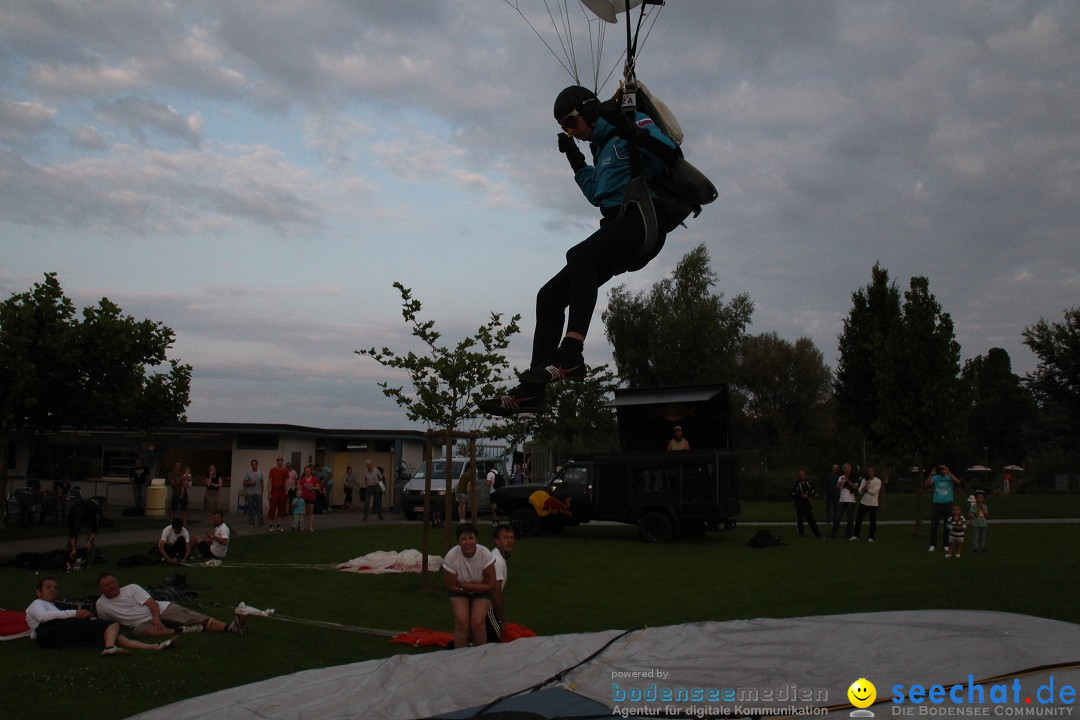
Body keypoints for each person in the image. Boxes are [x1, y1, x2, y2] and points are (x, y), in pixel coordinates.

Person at [478, 85, 682, 416]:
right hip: (618, 228)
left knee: (580, 256)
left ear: (588, 111)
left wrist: (633, 131)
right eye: (564, 128)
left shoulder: (632, 124)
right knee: (549, 296)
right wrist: (574, 159)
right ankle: (532, 392)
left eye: (571, 123)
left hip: (644, 219)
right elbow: (598, 194)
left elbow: (670, 153)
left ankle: (572, 352)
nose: (571, 131)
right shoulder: (600, 150)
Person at [26, 578, 173, 655]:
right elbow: (43, 617)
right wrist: (75, 613)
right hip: (53, 631)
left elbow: (34, 629)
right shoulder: (37, 603)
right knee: (110, 624)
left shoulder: (54, 605)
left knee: (113, 634)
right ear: (38, 592)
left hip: (58, 635)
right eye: (48, 587)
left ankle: (154, 646)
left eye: (55, 587)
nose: (53, 590)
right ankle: (110, 648)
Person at [95, 572, 246, 636]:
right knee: (142, 631)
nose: (111, 586)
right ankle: (183, 630)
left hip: (159, 610)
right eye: (107, 585)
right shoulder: (101, 605)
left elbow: (152, 603)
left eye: (113, 582)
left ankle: (230, 628)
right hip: (140, 623)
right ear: (101, 589)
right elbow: (107, 623)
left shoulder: (131, 588)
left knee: (196, 617)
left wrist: (156, 618)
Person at [442, 523, 496, 649]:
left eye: (471, 538)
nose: (468, 543)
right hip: (459, 591)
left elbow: (490, 584)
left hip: (479, 589)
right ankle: (459, 655)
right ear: (458, 542)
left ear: (476, 540)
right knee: (462, 622)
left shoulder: (485, 554)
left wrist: (464, 585)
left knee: (477, 622)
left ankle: (480, 654)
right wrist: (466, 587)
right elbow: (450, 586)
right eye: (463, 539)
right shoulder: (451, 556)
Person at [486, 524, 516, 643]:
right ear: (496, 541)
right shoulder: (497, 560)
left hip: (484, 604)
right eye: (505, 538)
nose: (510, 541)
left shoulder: (496, 556)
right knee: (496, 641)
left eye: (511, 537)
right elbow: (495, 594)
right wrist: (503, 619)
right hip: (487, 607)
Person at [926, 464, 960, 553]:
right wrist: (931, 475)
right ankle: (932, 545)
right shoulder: (936, 477)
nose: (942, 471)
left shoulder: (949, 477)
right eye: (940, 469)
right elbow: (927, 484)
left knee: (947, 526)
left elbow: (957, 482)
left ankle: (946, 544)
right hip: (937, 503)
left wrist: (949, 473)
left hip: (948, 504)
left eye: (943, 469)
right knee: (934, 525)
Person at [66, 495, 103, 563]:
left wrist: (89, 541)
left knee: (90, 540)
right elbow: (72, 534)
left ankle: (89, 560)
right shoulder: (71, 516)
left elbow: (94, 530)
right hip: (81, 512)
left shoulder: (91, 512)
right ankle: (70, 555)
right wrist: (74, 548)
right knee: (74, 535)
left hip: (92, 512)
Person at [852, 466, 882, 542]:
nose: (869, 472)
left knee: (872, 521)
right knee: (858, 519)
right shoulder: (864, 480)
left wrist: (867, 489)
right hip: (864, 503)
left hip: (873, 504)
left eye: (871, 471)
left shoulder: (878, 481)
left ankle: (871, 537)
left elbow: (874, 492)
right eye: (868, 471)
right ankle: (856, 535)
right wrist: (865, 487)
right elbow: (859, 491)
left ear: (874, 472)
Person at [829, 464, 858, 539]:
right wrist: (840, 482)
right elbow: (837, 487)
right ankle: (833, 534)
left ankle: (848, 535)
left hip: (851, 501)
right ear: (843, 469)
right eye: (845, 468)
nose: (847, 470)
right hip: (842, 500)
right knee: (837, 517)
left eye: (848, 468)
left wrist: (848, 481)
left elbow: (855, 487)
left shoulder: (854, 477)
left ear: (850, 469)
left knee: (849, 519)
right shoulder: (841, 477)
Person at [790, 469, 822, 539]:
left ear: (805, 475)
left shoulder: (809, 483)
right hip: (799, 504)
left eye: (803, 475)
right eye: (800, 475)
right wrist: (801, 496)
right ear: (798, 476)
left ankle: (817, 533)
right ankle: (801, 534)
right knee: (800, 519)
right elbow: (792, 493)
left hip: (807, 504)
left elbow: (814, 490)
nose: (802, 476)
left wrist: (810, 496)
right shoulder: (796, 484)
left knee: (811, 519)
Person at [266, 457, 289, 532]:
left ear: (283, 461)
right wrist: (269, 493)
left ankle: (279, 525)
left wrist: (286, 491)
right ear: (276, 461)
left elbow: (287, 481)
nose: (280, 461)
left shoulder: (285, 470)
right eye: (278, 460)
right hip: (274, 491)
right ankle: (270, 525)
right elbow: (269, 482)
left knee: (281, 509)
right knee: (272, 508)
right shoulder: (272, 470)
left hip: (282, 492)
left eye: (281, 460)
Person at [242, 459, 265, 528]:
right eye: (253, 464)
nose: (254, 465)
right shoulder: (248, 473)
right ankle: (251, 523)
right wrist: (250, 483)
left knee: (259, 509)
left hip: (258, 494)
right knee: (250, 509)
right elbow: (244, 483)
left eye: (255, 464)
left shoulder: (261, 473)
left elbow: (262, 483)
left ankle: (261, 524)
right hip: (250, 494)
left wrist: (262, 492)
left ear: (257, 465)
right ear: (251, 465)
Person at [299, 465, 318, 531]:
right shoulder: (302, 479)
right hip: (303, 497)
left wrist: (312, 488)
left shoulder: (314, 479)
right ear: (304, 472)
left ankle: (310, 527)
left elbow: (317, 487)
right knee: (303, 512)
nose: (307, 472)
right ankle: (302, 526)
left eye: (308, 471)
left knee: (310, 512)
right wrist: (298, 496)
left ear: (310, 471)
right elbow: (300, 488)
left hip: (311, 497)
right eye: (306, 471)